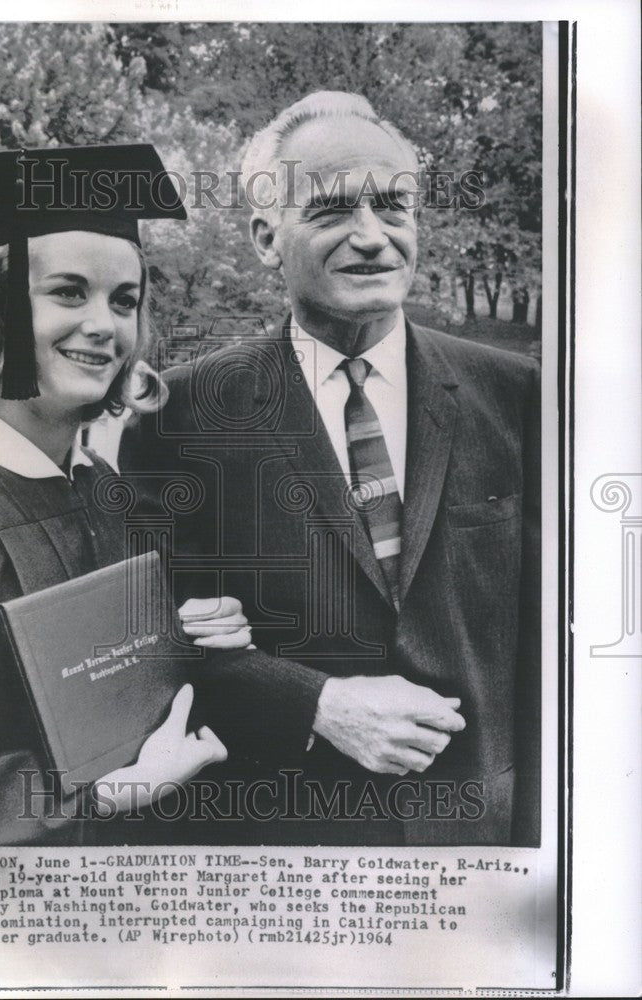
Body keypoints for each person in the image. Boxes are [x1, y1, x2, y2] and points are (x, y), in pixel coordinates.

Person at [120, 92, 541, 846]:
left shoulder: (517, 395)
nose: (372, 238)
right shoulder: (181, 414)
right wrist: (313, 702)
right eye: (331, 211)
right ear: (263, 236)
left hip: (480, 842)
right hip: (285, 845)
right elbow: (151, 642)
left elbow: (556, 634)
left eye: (393, 206)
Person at [0, 143, 254, 848]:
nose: (104, 324)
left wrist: (192, 638)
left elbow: (115, 683)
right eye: (68, 292)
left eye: (124, 301)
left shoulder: (99, 487)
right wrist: (109, 796)